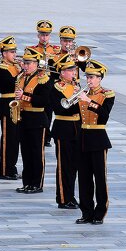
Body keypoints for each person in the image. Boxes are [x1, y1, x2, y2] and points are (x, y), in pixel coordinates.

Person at [76, 60, 115, 224]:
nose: (89, 80)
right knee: (84, 178)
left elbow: (104, 114)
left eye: (92, 77)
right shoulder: (83, 93)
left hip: (98, 138)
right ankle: (86, 212)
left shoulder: (107, 94)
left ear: (100, 78)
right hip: (83, 138)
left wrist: (88, 102)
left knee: (99, 178)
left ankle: (100, 213)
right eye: (88, 77)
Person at [13, 47, 54, 194]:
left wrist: (24, 96)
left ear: (37, 64)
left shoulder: (43, 79)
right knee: (25, 153)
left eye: (29, 63)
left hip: (37, 120)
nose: (26, 65)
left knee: (37, 153)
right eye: (25, 62)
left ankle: (37, 184)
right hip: (24, 119)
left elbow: (44, 101)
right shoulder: (21, 77)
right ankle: (27, 182)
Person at [48, 54, 81, 208]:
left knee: (74, 166)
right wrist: (78, 97)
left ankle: (71, 196)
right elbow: (62, 108)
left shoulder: (77, 86)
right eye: (69, 70)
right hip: (63, 128)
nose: (73, 72)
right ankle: (63, 198)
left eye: (73, 69)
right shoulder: (56, 87)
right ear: (61, 72)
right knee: (64, 166)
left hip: (77, 129)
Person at [0, 36, 21, 180]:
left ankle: (12, 167)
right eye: (11, 52)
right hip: (7, 105)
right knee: (8, 139)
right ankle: (5, 170)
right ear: (4, 54)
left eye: (15, 51)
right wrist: (24, 72)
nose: (15, 54)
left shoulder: (15, 67)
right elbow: (11, 84)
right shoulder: (2, 69)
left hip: (17, 104)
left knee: (15, 139)